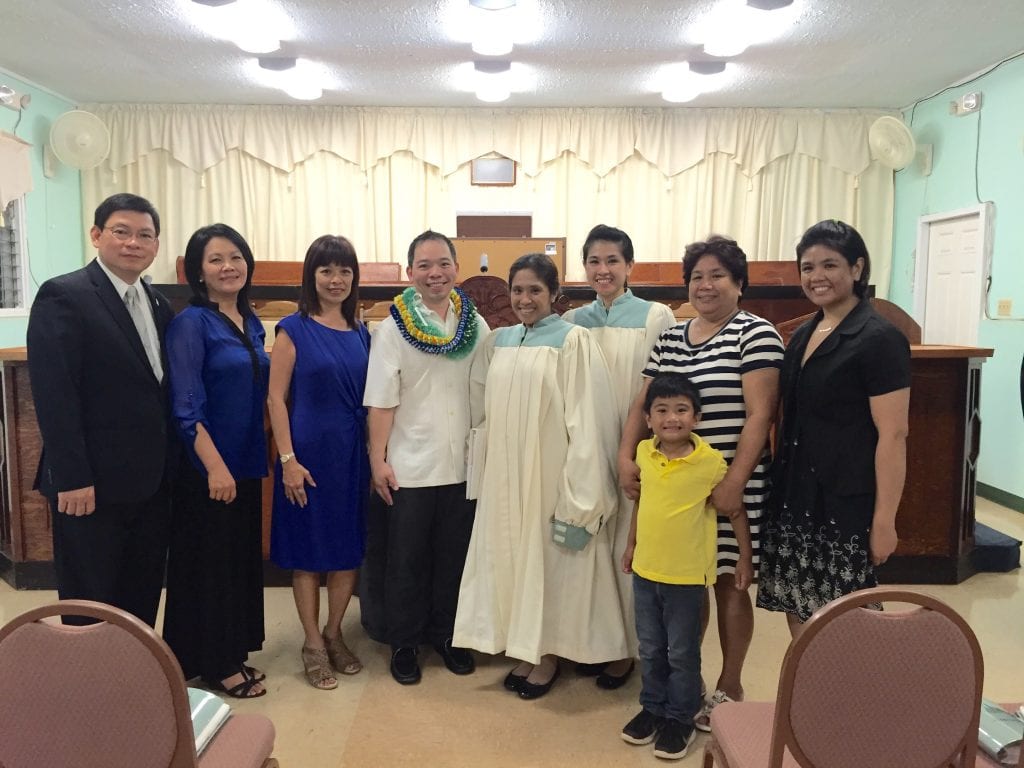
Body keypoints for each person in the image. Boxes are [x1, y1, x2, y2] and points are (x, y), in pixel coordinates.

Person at [618, 235, 783, 729]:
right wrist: (626, 457)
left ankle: (729, 687)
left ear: (739, 283)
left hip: (733, 484)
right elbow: (642, 403)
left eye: (717, 275)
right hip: (676, 487)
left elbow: (760, 416)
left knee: (730, 585)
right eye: (696, 277)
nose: (705, 285)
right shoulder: (672, 335)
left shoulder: (755, 334)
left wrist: (735, 480)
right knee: (686, 587)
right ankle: (686, 689)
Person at [454, 253, 628, 700]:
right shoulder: (501, 341)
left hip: (550, 478)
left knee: (550, 566)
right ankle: (526, 647)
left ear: (554, 295)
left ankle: (548, 654)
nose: (524, 299)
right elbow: (485, 416)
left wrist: (581, 496)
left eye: (535, 290)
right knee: (514, 563)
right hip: (506, 479)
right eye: (517, 290)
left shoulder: (574, 342)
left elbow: (589, 423)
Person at [26, 193, 174, 627]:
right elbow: (55, 394)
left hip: (149, 483)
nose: (133, 243)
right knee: (90, 601)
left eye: (144, 235)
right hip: (89, 486)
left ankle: (132, 682)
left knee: (141, 593)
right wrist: (72, 477)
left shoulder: (157, 301)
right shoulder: (65, 295)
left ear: (156, 245)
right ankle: (91, 691)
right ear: (96, 235)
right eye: (121, 232)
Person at [757, 219, 910, 635]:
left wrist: (885, 520)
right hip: (795, 492)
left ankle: (849, 698)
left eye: (829, 265)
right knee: (798, 602)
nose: (816, 276)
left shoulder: (879, 338)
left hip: (845, 499)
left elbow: (893, 436)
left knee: (847, 618)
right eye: (807, 267)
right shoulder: (804, 333)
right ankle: (809, 696)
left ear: (857, 269)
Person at [362, 230, 488, 685]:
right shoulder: (392, 327)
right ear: (410, 270)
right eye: (424, 265)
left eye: (443, 264)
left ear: (457, 267)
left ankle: (448, 636)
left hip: (463, 464)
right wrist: (378, 460)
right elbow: (381, 399)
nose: (435, 273)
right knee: (407, 561)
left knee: (453, 556)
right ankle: (405, 643)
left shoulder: (475, 323)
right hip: (410, 464)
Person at [562, 224, 676, 689]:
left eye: (612, 261)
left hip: (635, 451)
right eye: (594, 261)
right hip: (586, 450)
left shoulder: (656, 316)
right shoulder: (572, 322)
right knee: (585, 545)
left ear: (629, 265)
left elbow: (664, 392)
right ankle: (591, 639)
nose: (602, 269)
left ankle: (628, 648)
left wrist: (638, 451)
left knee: (628, 549)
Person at [162, 223, 271, 699]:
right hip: (209, 468)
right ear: (198, 271)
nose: (228, 267)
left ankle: (228, 650)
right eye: (215, 260)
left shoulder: (251, 319)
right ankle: (216, 664)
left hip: (246, 462)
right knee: (210, 567)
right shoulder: (190, 323)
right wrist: (214, 467)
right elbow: (186, 405)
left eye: (235, 257)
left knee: (236, 561)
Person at [620, 373, 747, 760]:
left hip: (688, 578)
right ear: (648, 418)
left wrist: (745, 556)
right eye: (661, 410)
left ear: (697, 418)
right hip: (646, 572)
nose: (671, 418)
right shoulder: (645, 453)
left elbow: (734, 510)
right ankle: (653, 708)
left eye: (681, 410)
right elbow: (642, 504)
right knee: (651, 648)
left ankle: (681, 716)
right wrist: (630, 545)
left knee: (682, 653)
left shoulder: (709, 461)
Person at [267, 235, 371, 690]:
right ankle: (311, 643)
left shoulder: (363, 330)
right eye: (327, 270)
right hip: (307, 453)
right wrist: (287, 459)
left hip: (352, 452)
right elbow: (275, 398)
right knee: (309, 554)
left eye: (345, 271)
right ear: (312, 275)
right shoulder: (293, 329)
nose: (336, 279)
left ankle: (334, 634)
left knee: (347, 550)